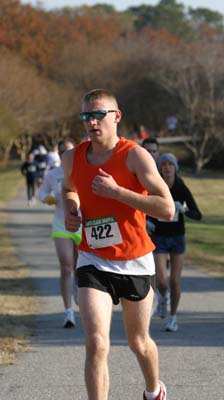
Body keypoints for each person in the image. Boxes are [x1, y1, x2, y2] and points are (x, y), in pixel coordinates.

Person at [61, 88, 175, 400]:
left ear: (117, 116)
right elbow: (69, 189)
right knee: (97, 342)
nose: (92, 122)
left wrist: (118, 193)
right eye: (86, 116)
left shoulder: (134, 155)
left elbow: (167, 209)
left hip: (135, 259)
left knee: (139, 342)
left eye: (99, 114)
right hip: (93, 259)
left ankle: (154, 390)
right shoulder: (72, 157)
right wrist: (73, 210)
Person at [147, 153, 202, 332]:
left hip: (177, 238)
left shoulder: (181, 188)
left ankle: (172, 317)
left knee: (175, 282)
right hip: (159, 237)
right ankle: (162, 298)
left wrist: (184, 209)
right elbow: (143, 206)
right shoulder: (155, 186)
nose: (167, 167)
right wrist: (146, 221)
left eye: (171, 164)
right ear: (160, 168)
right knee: (162, 280)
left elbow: (197, 214)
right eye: (164, 164)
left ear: (175, 167)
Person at [39, 138, 82, 328]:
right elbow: (41, 192)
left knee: (81, 268)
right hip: (61, 224)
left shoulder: (83, 170)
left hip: (83, 225)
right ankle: (68, 312)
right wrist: (47, 198)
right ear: (58, 154)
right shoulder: (53, 174)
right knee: (66, 266)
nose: (65, 154)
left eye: (69, 151)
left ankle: (79, 291)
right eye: (62, 151)